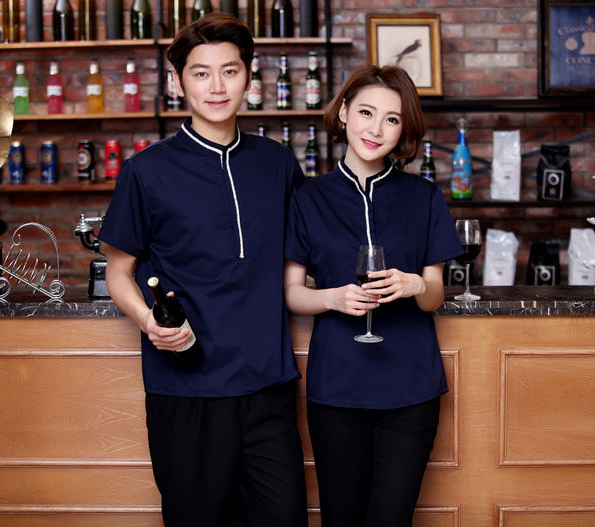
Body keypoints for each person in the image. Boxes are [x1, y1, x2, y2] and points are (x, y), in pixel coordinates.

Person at [98, 13, 307, 527]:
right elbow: (117, 271)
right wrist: (148, 321)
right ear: (178, 82)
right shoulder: (145, 171)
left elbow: (300, 261)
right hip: (185, 390)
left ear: (249, 78)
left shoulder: (279, 163)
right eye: (200, 73)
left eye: (230, 71)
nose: (217, 87)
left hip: (268, 385)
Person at [283, 64, 463, 526]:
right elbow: (292, 293)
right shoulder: (307, 197)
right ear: (344, 112)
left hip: (411, 386)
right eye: (366, 112)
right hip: (337, 387)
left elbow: (435, 295)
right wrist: (332, 299)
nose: (376, 129)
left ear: (403, 130)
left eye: (391, 119)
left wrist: (416, 284)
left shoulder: (425, 196)